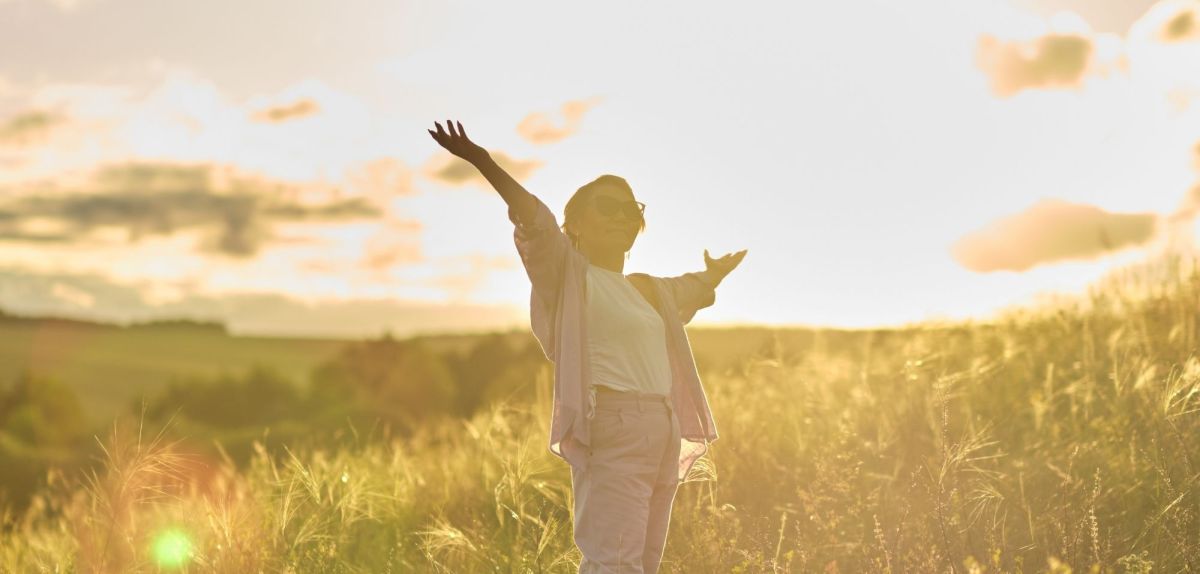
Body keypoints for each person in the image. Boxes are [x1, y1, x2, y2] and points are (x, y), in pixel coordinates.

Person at [428, 119, 746, 573]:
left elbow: (690, 289)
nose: (623, 216)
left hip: (663, 428)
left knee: (641, 564)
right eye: (608, 207)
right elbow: (533, 219)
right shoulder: (566, 275)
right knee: (614, 562)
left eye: (631, 209)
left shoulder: (648, 291)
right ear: (574, 223)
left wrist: (714, 274)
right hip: (613, 425)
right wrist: (483, 161)